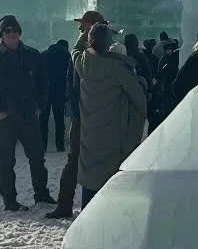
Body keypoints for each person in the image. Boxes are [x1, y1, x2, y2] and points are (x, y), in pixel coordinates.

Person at [0, 15, 52, 213]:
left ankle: (41, 193)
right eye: (7, 31)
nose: (12, 34)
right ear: (1, 35)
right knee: (7, 161)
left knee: (37, 157)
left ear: (19, 33)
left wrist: (39, 106)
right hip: (6, 119)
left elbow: (44, 82)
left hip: (29, 116)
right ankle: (9, 200)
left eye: (15, 31)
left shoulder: (32, 55)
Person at [75, 23, 147, 206]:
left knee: (90, 183)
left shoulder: (83, 62)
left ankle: (86, 224)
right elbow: (139, 101)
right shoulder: (118, 68)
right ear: (109, 43)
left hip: (89, 136)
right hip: (113, 137)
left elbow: (75, 50)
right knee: (110, 186)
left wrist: (85, 32)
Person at [47, 11, 104, 220]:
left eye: (83, 25)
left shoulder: (90, 49)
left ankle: (68, 205)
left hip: (85, 113)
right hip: (90, 112)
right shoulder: (107, 48)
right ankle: (73, 204)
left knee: (77, 160)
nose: (80, 29)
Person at [40, 39, 72, 152]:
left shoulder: (43, 55)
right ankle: (60, 145)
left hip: (45, 92)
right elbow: (69, 75)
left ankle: (42, 146)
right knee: (59, 120)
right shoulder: (67, 55)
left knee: (43, 120)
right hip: (59, 91)